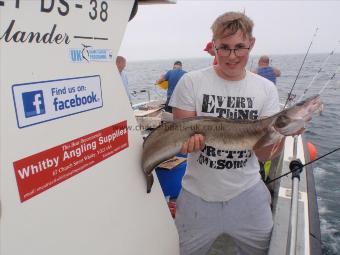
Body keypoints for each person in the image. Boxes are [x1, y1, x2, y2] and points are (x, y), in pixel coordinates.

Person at [169, 12, 306, 255]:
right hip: (196, 195)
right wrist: (187, 143)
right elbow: (181, 139)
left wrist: (282, 134)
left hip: (248, 194)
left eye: (239, 47)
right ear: (213, 47)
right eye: (224, 48)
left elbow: (264, 155)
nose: (232, 56)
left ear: (251, 44)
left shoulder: (265, 90)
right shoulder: (191, 82)